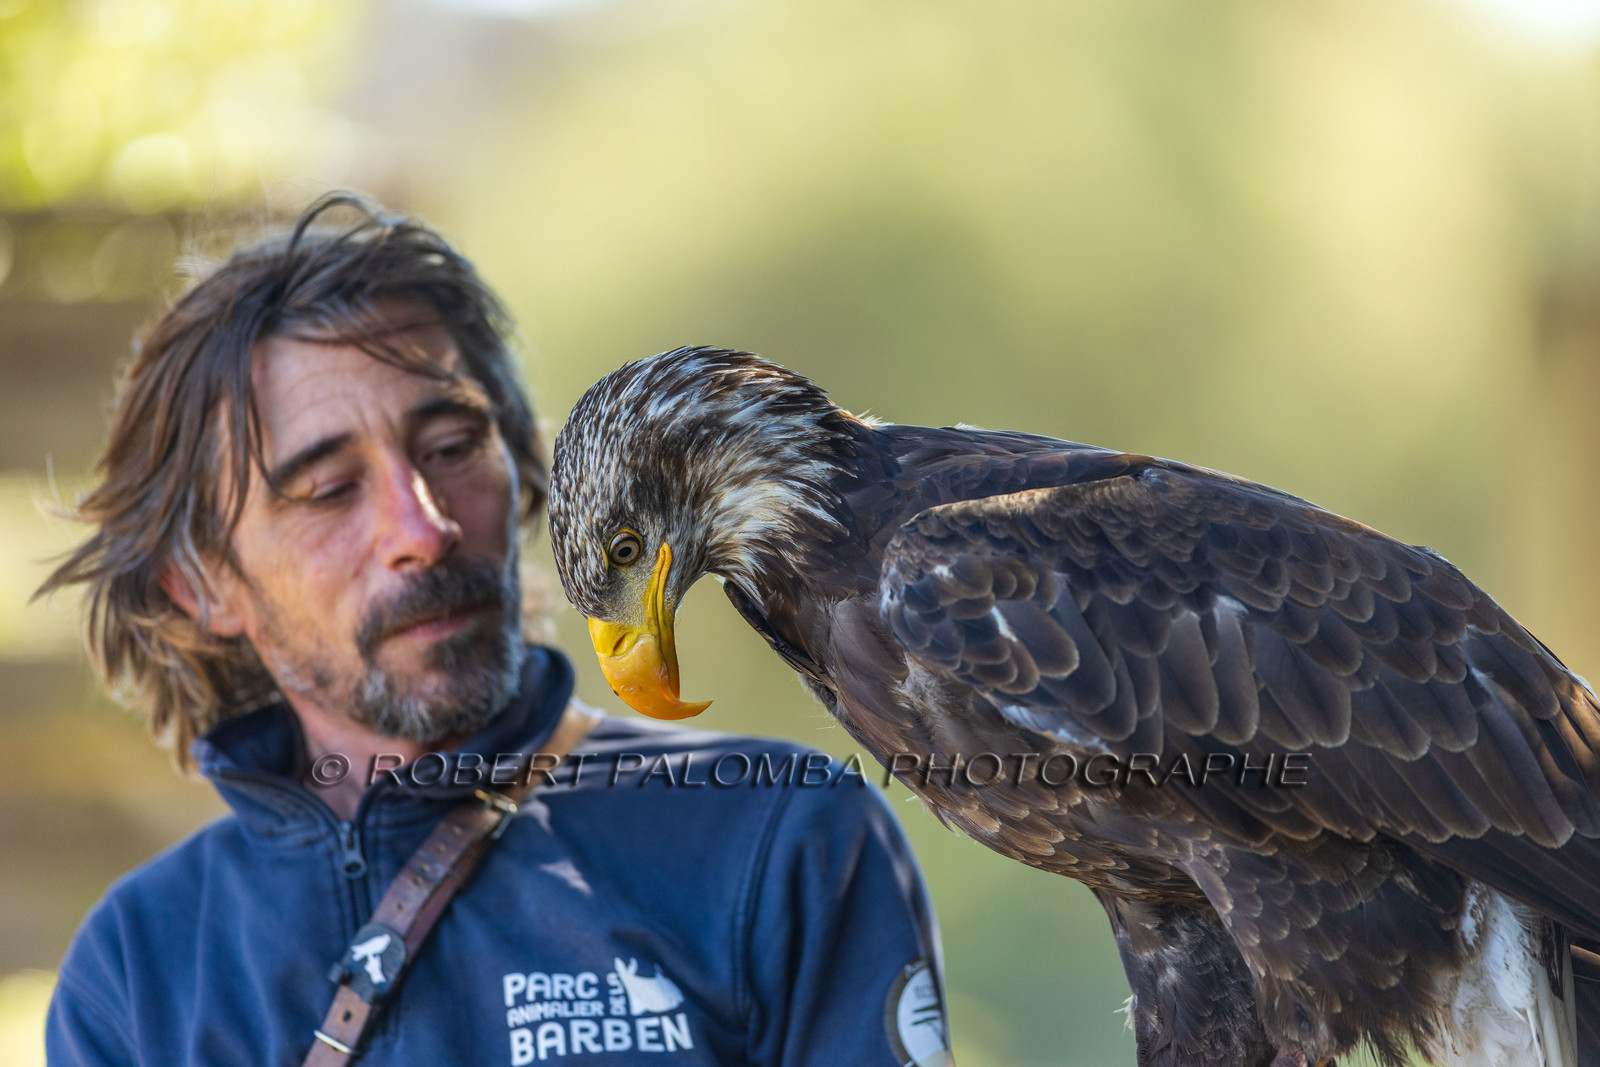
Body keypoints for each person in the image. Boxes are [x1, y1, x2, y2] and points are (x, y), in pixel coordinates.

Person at [36, 194, 950, 1066]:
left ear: (520, 469)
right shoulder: (136, 973)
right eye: (328, 490)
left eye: (450, 448)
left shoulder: (780, 837)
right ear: (198, 587)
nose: (422, 527)